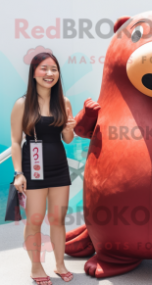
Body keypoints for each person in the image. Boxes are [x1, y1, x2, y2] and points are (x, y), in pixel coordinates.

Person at [10, 52, 76, 284]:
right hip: (32, 170)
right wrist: (18, 173)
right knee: (35, 220)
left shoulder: (63, 102)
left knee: (58, 219)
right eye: (44, 69)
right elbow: (16, 142)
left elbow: (68, 139)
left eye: (54, 69)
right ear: (34, 72)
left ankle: (59, 264)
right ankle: (36, 267)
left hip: (59, 167)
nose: (49, 74)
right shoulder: (22, 103)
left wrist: (70, 127)